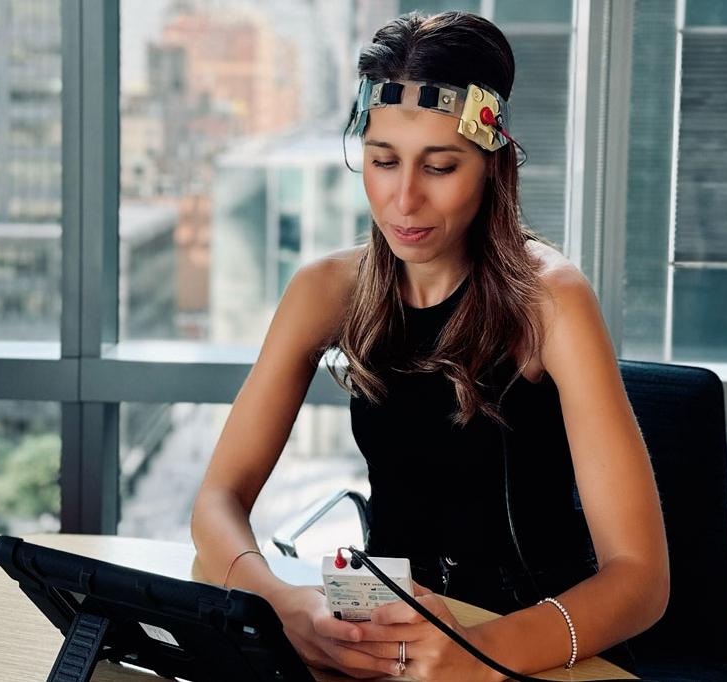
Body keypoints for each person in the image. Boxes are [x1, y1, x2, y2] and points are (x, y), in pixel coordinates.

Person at [190, 10, 668, 681]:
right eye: (383, 161)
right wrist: (281, 605)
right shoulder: (325, 290)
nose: (403, 200)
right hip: (386, 643)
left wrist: (480, 658)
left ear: (492, 166)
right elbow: (216, 501)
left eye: (440, 166)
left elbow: (641, 580)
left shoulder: (552, 301)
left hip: (532, 647)